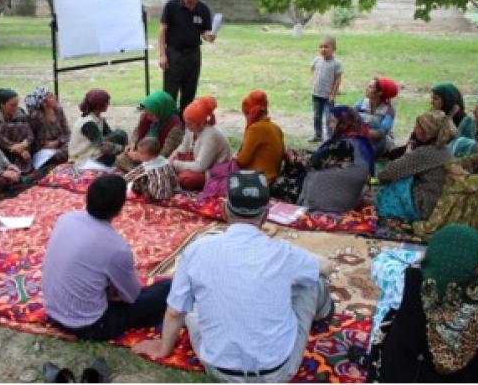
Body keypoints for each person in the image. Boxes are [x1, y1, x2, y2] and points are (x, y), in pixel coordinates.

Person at [131, 171, 334, 382]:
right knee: (313, 280)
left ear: (224, 210)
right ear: (265, 216)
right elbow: (327, 266)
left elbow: (175, 311)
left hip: (219, 368)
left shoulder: (198, 250)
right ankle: (324, 314)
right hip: (278, 372)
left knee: (193, 305)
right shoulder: (283, 253)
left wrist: (164, 349)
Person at [367, 224, 478, 382]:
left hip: (407, 376)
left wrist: (423, 259)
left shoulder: (409, 282)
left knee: (391, 311)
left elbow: (380, 263)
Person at [42, 174, 171, 341]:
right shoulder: (117, 248)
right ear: (120, 208)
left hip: (52, 311)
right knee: (168, 288)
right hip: (90, 325)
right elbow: (131, 296)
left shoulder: (66, 219)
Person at [413, 126, 478, 243]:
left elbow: (469, 184)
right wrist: (458, 172)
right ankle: (442, 227)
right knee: (456, 181)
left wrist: (461, 174)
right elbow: (451, 163)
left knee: (466, 191)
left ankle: (439, 227)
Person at [376, 111, 456, 221]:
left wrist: (406, 154)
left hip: (425, 206)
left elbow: (386, 173)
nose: (414, 128)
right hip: (439, 203)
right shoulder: (445, 149)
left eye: (417, 126)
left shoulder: (425, 153)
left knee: (398, 180)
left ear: (426, 131)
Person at [296, 106, 374, 212]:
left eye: (333, 121)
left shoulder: (345, 145)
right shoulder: (361, 143)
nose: (330, 125)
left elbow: (312, 162)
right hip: (346, 198)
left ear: (343, 123)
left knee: (283, 181)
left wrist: (292, 157)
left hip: (327, 202)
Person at [157, 0, 215, 113]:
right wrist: (162, 55)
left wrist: (209, 37)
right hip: (174, 53)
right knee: (170, 92)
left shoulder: (203, 9)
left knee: (189, 91)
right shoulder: (171, 6)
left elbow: (204, 32)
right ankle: (169, 124)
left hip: (193, 54)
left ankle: (186, 123)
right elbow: (162, 30)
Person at [169, 96, 231, 191]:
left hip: (211, 171)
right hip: (198, 162)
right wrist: (174, 155)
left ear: (201, 123)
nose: (186, 126)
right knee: (173, 160)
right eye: (185, 122)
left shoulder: (210, 136)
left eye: (189, 123)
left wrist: (175, 164)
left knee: (186, 179)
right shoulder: (191, 128)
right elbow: (183, 148)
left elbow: (200, 167)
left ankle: (177, 177)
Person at [115, 91, 184, 172]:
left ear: (161, 110)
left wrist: (142, 157)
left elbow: (166, 152)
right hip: (143, 151)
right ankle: (140, 172)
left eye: (151, 114)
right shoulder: (145, 116)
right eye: (146, 113)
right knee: (120, 159)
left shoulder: (175, 127)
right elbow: (137, 131)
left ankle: (142, 173)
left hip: (158, 159)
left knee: (154, 168)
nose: (148, 117)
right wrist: (132, 144)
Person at [67, 88, 127, 167]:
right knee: (115, 151)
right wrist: (124, 150)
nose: (109, 104)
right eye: (106, 102)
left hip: (93, 150)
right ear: (99, 105)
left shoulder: (97, 118)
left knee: (120, 134)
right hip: (82, 158)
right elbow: (102, 146)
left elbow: (110, 135)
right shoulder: (88, 123)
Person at [234, 90, 284, 184]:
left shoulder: (255, 129)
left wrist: (233, 158)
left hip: (258, 182)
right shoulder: (276, 128)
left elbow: (242, 161)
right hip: (272, 180)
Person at [0, 87, 34, 174]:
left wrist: (24, 144)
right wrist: (16, 148)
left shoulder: (20, 112)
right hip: (4, 151)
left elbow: (30, 133)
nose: (16, 107)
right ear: (2, 104)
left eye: (17, 104)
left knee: (22, 126)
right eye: (12, 105)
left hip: (23, 150)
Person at [354, 76, 398, 157]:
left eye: (370, 87)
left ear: (380, 92)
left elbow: (380, 133)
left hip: (381, 142)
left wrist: (358, 131)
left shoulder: (389, 110)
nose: (366, 88)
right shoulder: (360, 104)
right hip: (364, 137)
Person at [309, 35, 342, 142]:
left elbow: (337, 80)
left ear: (334, 49)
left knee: (329, 117)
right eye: (321, 46)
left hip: (328, 96)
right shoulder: (317, 60)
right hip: (316, 94)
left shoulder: (336, 64)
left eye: (326, 47)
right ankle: (318, 135)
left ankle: (330, 138)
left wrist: (333, 94)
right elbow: (313, 69)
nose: (323, 49)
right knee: (317, 116)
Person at [25, 87, 70, 166]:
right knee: (53, 155)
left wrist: (57, 142)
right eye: (51, 96)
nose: (55, 97)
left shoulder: (59, 110)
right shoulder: (35, 117)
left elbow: (67, 132)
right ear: (44, 103)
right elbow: (31, 138)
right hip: (43, 149)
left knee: (71, 147)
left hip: (61, 145)